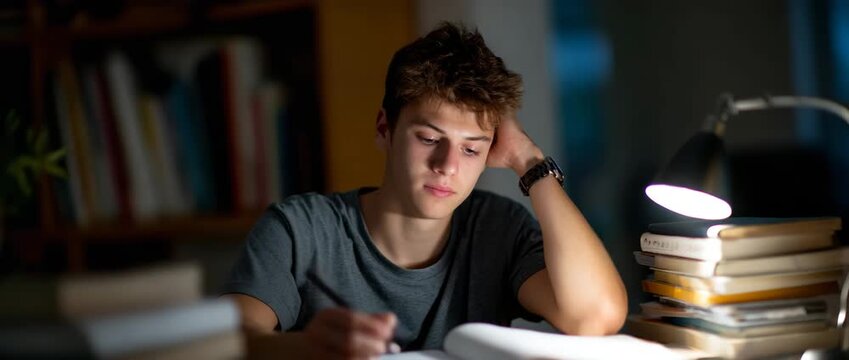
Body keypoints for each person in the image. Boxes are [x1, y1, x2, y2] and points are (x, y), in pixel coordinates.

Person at [222, 22, 627, 359]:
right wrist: (305, 348)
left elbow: (596, 318)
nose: (447, 166)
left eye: (471, 148)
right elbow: (226, 344)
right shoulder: (299, 230)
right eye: (430, 139)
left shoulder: (498, 229)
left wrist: (531, 163)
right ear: (385, 129)